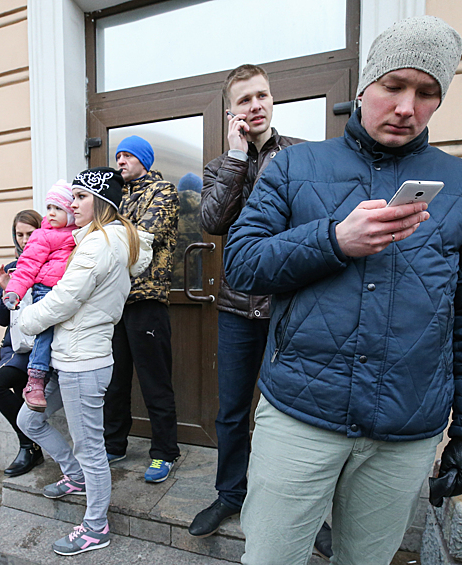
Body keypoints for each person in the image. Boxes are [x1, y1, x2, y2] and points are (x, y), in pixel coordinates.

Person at [224, 16, 462, 564]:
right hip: (300, 414)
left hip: (405, 430)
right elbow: (241, 264)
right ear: (364, 88)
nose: (407, 106)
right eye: (394, 86)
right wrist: (333, 240)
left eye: (427, 93)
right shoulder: (295, 166)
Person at [192, 65, 334, 557]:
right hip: (235, 307)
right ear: (232, 112)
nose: (255, 105)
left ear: (272, 101)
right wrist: (235, 157)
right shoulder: (219, 166)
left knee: (293, 413)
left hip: (288, 306)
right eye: (245, 100)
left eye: (262, 96)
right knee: (232, 410)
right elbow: (214, 221)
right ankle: (230, 493)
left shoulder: (301, 155)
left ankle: (304, 509)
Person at [17, 167, 153, 556]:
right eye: (72, 196)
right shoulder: (102, 240)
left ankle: (96, 527)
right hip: (71, 354)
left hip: (82, 360)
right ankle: (74, 477)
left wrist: (26, 321)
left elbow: (63, 300)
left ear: (103, 202)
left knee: (90, 447)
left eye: (80, 197)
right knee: (30, 419)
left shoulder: (98, 245)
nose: (71, 204)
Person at [103, 135, 180, 483]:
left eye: (128, 155)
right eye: (117, 156)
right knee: (115, 381)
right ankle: (114, 443)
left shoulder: (163, 191)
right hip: (114, 300)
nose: (120, 161)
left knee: (154, 381)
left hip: (147, 299)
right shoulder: (115, 196)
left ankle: (164, 453)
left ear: (144, 160)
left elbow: (142, 234)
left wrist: (106, 234)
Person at [2, 182, 78, 412]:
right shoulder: (43, 235)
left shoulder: (81, 234)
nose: (51, 213)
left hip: (68, 291)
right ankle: (35, 380)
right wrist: (14, 290)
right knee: (44, 335)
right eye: (49, 208)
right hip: (46, 290)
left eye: (58, 208)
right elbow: (27, 266)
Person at [0, 209, 44, 477]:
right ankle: (28, 445)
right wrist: (6, 289)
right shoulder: (12, 268)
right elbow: (0, 319)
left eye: (29, 234)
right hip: (17, 347)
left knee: (4, 387)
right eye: (19, 234)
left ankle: (29, 446)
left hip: (41, 345)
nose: (23, 240)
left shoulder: (50, 262)